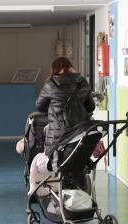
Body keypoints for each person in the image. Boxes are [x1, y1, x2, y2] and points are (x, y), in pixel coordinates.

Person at [35, 57, 95, 190]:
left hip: (58, 137)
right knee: (77, 161)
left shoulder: (50, 84)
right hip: (80, 134)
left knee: (62, 163)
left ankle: (61, 195)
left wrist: (53, 110)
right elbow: (91, 107)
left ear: (55, 69)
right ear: (71, 67)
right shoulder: (82, 82)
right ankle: (80, 195)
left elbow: (39, 106)